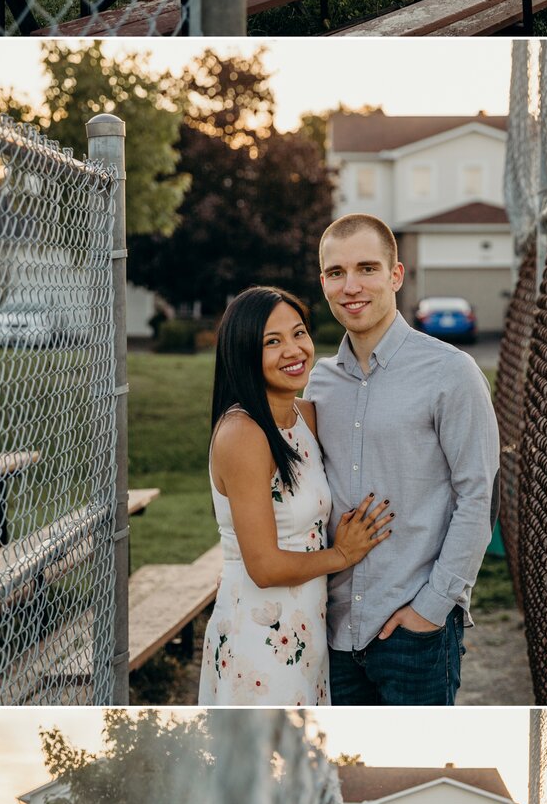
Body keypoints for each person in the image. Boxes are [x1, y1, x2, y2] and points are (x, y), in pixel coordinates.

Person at [307, 212, 499, 706]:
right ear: (323, 280)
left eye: (367, 269)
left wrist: (431, 610)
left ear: (396, 275)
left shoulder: (451, 372)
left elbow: (479, 496)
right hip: (333, 633)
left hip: (416, 633)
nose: (351, 286)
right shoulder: (318, 383)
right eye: (336, 272)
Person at [197, 285, 392, 704]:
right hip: (259, 636)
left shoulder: (304, 415)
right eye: (272, 341)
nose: (294, 350)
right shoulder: (242, 434)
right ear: (242, 353)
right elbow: (263, 567)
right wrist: (343, 555)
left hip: (305, 626)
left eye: (298, 333)